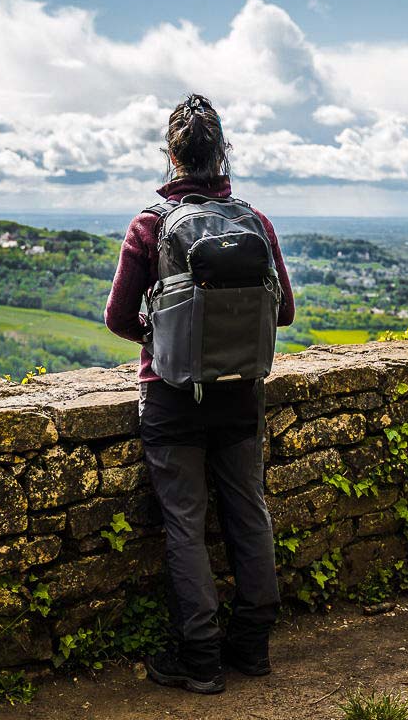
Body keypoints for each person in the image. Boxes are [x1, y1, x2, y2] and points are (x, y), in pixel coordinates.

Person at [103, 93, 295, 694]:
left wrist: (162, 341)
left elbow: (116, 316)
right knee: (248, 512)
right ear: (223, 154)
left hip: (170, 397)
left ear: (171, 157)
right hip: (241, 393)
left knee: (185, 524)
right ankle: (253, 646)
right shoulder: (255, 223)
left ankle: (201, 659)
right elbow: (283, 311)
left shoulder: (150, 226)